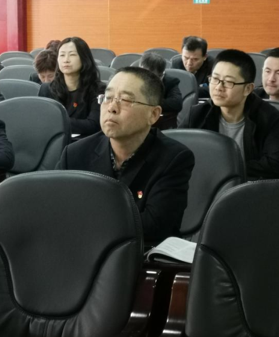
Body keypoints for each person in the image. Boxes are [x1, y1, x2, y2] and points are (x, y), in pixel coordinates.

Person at [56, 67, 195, 244]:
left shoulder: (174, 158)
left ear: (153, 114)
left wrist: (84, 222)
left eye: (126, 100)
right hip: (82, 251)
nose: (112, 108)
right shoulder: (75, 153)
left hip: (141, 255)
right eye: (108, 98)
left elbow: (153, 227)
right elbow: (56, 212)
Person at [185, 49, 279, 181]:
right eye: (215, 79)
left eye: (228, 82)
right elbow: (179, 156)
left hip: (250, 187)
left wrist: (223, 168)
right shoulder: (198, 114)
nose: (218, 87)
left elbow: (278, 166)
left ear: (248, 89)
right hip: (207, 186)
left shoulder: (268, 116)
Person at [38, 37, 104, 137]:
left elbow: (93, 125)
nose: (66, 60)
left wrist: (57, 122)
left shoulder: (98, 89)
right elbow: (41, 122)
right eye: (62, 55)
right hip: (53, 141)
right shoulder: (47, 89)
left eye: (72, 55)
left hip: (85, 142)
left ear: (84, 58)